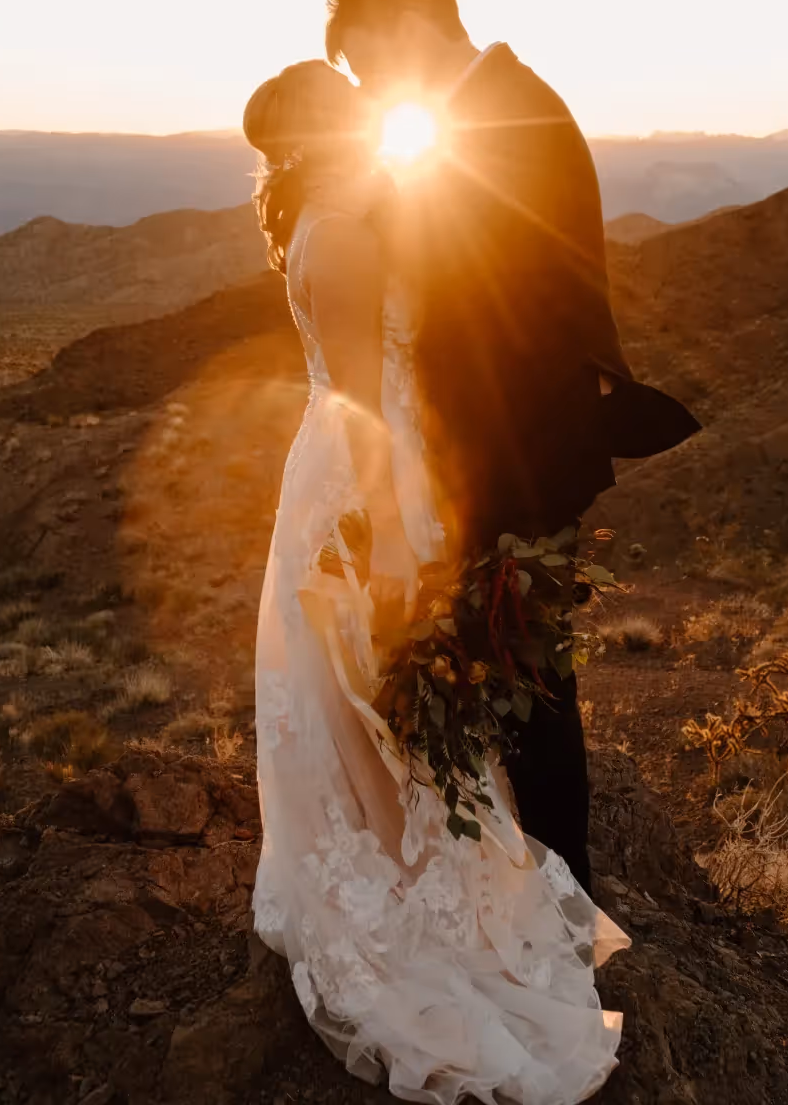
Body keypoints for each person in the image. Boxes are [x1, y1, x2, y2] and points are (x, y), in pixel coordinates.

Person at [244, 59, 629, 1105]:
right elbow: (371, 400)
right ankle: (412, 892)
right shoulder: (354, 232)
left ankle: (380, 855)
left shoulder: (327, 218)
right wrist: (387, 548)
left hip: (335, 470)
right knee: (379, 684)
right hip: (369, 479)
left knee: (351, 698)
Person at [324, 0, 700, 891]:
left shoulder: (510, 118)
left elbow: (489, 301)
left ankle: (566, 905)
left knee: (532, 690)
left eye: (371, 68)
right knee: (510, 686)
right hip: (500, 445)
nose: (371, 92)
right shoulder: (483, 111)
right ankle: (524, 895)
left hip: (518, 450)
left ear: (412, 27)